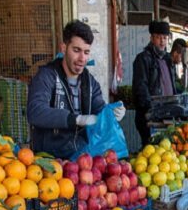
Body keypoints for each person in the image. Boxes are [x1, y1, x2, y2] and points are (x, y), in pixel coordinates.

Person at [27, 20, 125, 159]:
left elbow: (99, 111)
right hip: (49, 161)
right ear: (63, 48)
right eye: (76, 50)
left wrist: (111, 114)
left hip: (82, 160)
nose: (82, 58)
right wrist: (76, 119)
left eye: (86, 52)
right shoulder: (46, 76)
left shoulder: (90, 83)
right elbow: (35, 112)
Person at [132, 20, 176, 146]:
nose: (162, 41)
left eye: (164, 37)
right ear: (151, 38)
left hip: (167, 115)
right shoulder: (143, 59)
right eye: (158, 37)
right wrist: (151, 110)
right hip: (150, 117)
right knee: (151, 152)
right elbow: (140, 88)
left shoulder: (168, 59)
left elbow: (172, 84)